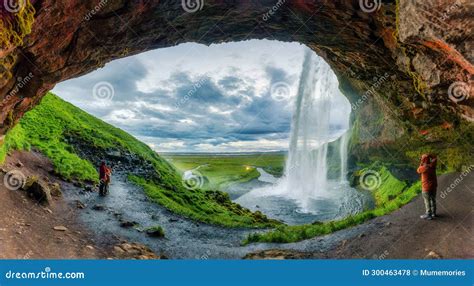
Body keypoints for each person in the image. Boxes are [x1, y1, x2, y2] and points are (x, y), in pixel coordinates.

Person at [417, 154, 437, 220]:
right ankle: (434, 213)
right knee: (433, 199)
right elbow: (435, 157)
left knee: (427, 201)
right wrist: (429, 155)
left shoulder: (423, 168)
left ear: (423, 160)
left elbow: (418, 170)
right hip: (433, 186)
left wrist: (422, 162)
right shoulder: (433, 165)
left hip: (426, 187)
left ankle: (428, 214)